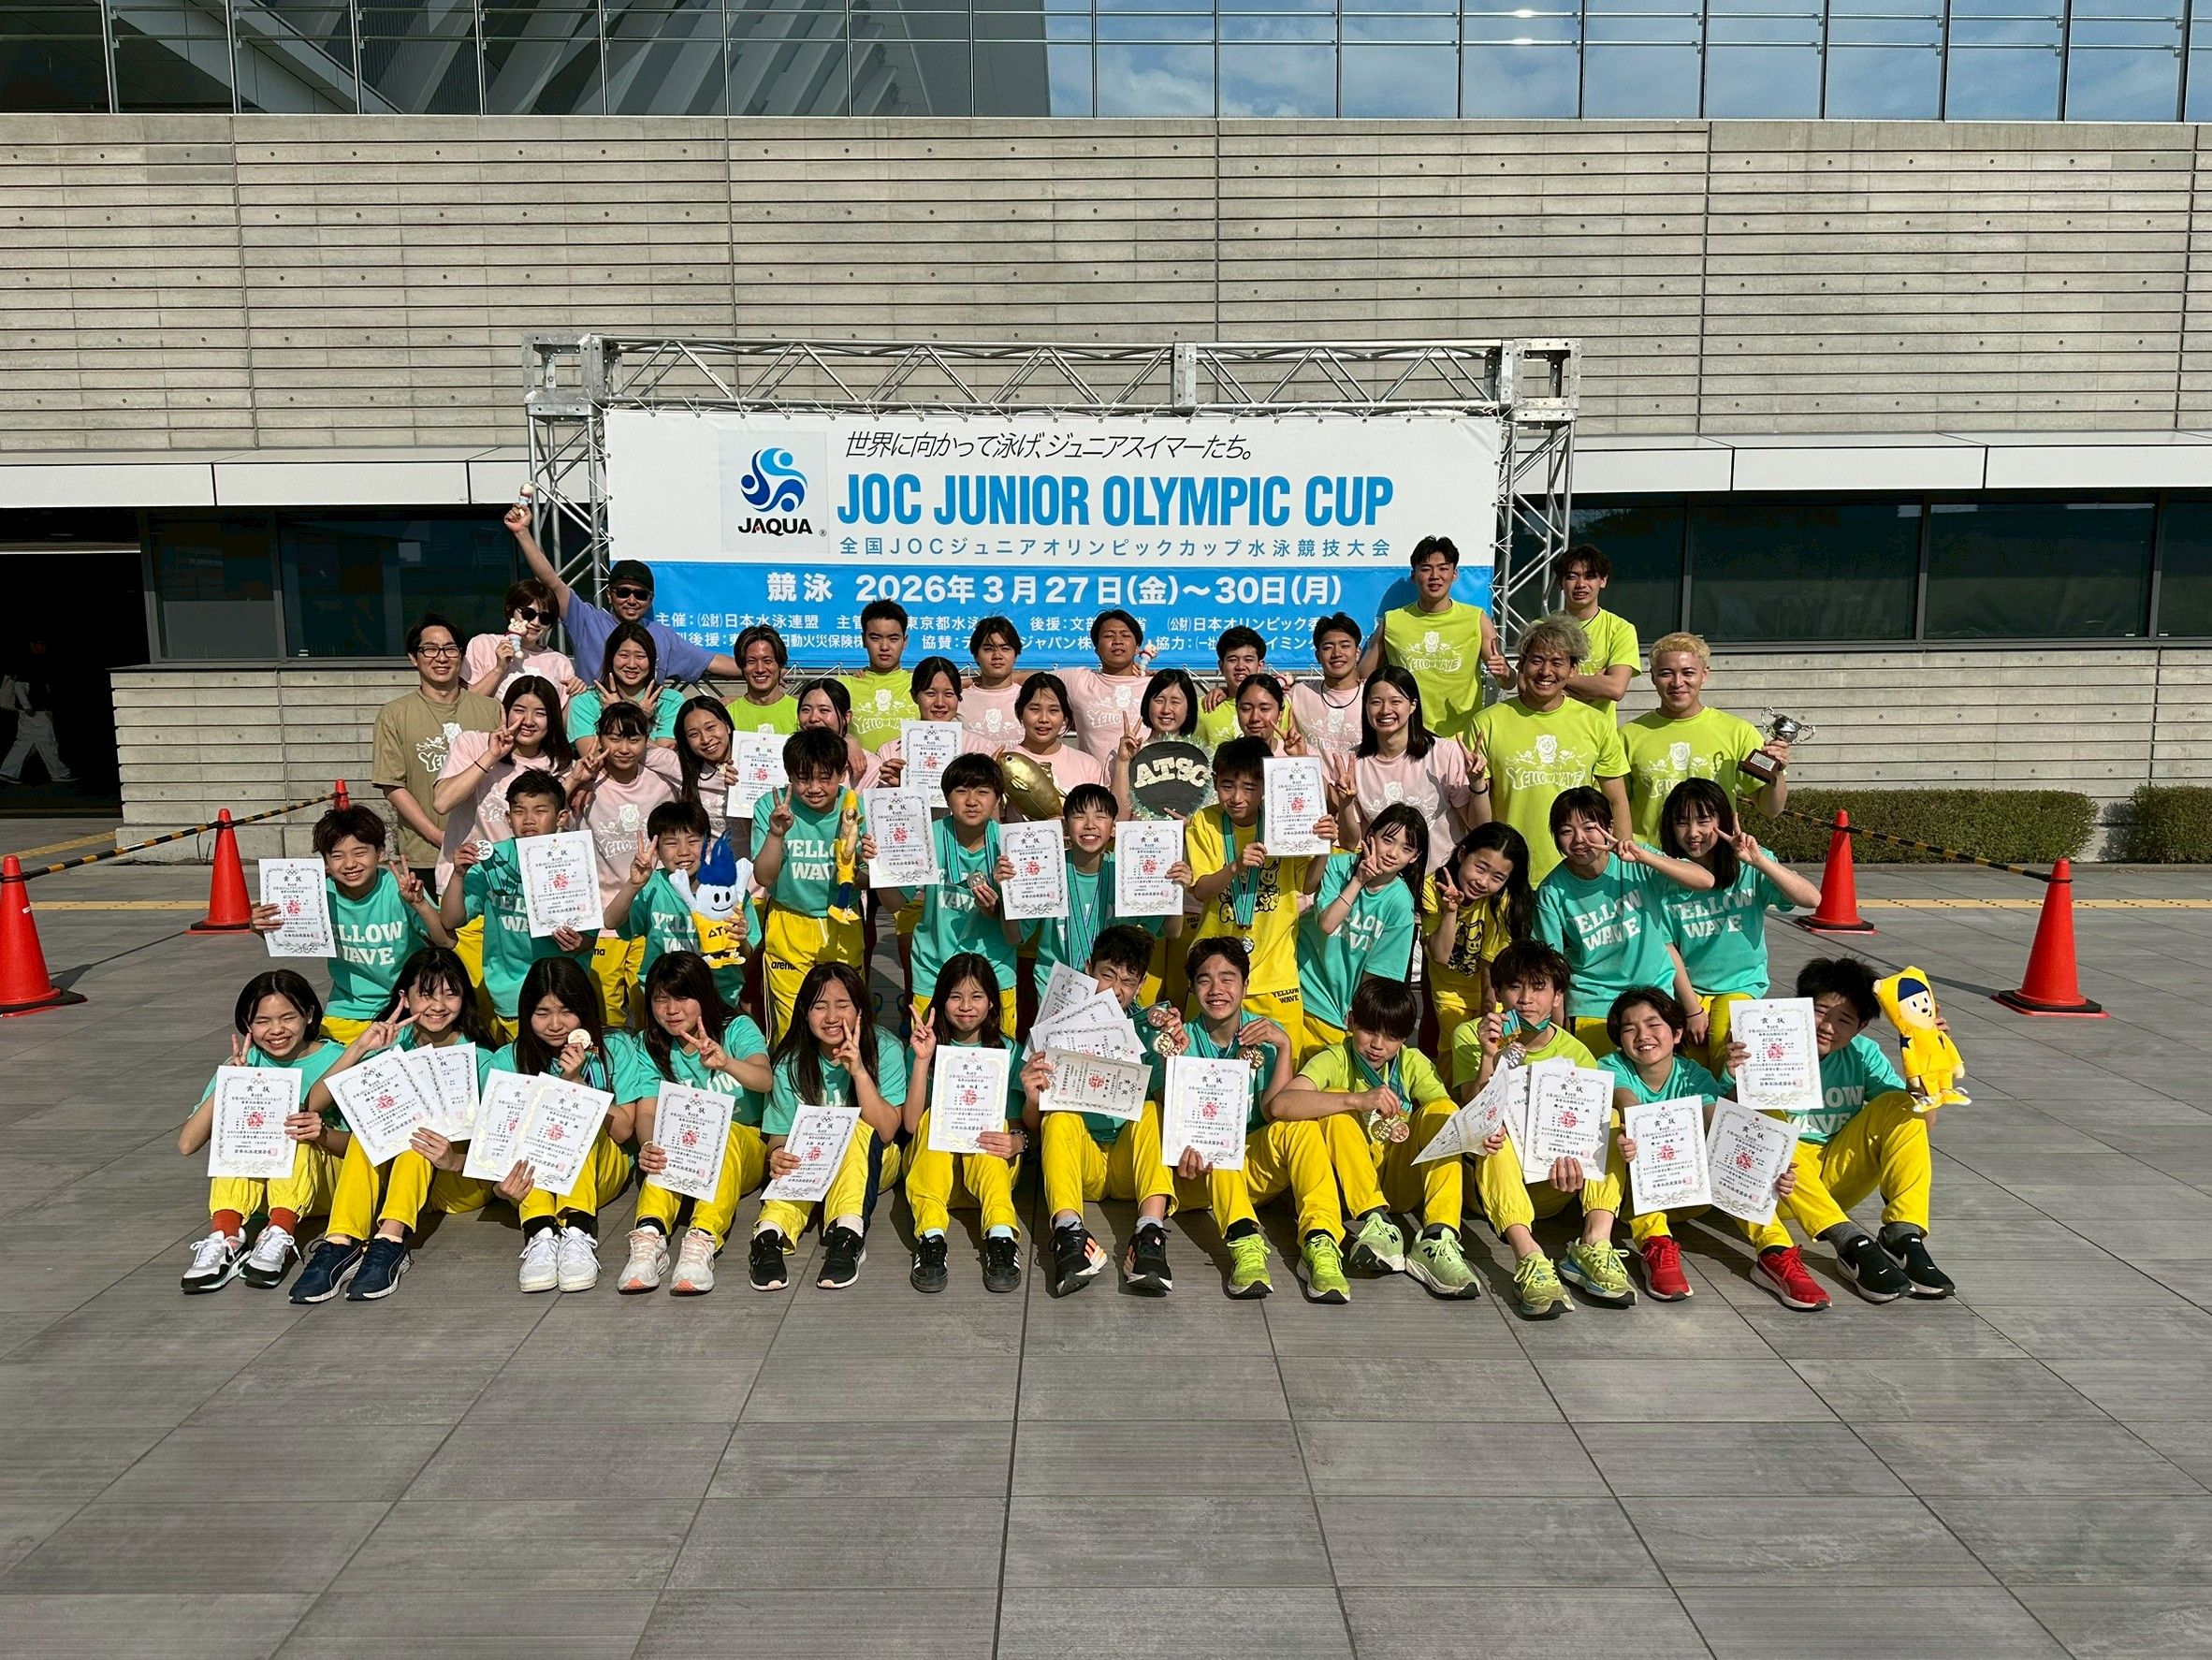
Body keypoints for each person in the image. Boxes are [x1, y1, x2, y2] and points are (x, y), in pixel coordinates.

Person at [289, 947, 501, 1303]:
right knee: (371, 1133)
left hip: (456, 1181)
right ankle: (340, 1241)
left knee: (418, 1132)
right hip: (398, 1185)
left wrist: (453, 1159)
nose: (438, 1005)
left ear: (465, 998)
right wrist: (360, 1047)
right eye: (426, 994)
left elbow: (498, 1146)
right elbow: (315, 1103)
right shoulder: (389, 1049)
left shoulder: (481, 1059)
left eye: (451, 994)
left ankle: (390, 1241)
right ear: (405, 997)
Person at [1164, 939, 1349, 1303]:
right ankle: (1245, 1242)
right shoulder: (1181, 1040)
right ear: (1192, 988)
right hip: (1200, 1176)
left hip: (1254, 1170)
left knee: (1300, 1126)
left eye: (1227, 978)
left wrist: (1285, 1047)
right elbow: (1172, 1121)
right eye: (1204, 979)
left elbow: (1273, 1110)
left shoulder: (1266, 1033)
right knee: (1219, 1140)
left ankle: (1321, 1241)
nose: (1216, 990)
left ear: (1246, 985)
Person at [1274, 976, 1481, 1299]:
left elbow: (1446, 1120)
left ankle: (1438, 1237)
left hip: (1400, 1180)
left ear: (1404, 1038)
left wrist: (1479, 1134)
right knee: (1336, 1102)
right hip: (1349, 1190)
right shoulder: (1335, 1057)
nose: (1378, 1045)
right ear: (1350, 1022)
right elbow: (1282, 1104)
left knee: (1443, 1111)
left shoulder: (1412, 1062)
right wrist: (1355, 1100)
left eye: (1391, 1036)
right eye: (1369, 1030)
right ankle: (1376, 1221)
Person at [1600, 986, 1806, 1307]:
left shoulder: (1694, 1075)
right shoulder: (1611, 1065)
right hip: (1639, 1197)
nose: (1643, 1036)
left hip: (1695, 1191)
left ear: (1677, 1033)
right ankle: (1657, 1245)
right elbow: (1626, 1102)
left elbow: (1715, 1120)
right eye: (1630, 1029)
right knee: (1618, 1125)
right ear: (1619, 1039)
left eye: (1653, 1025)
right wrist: (1639, 1135)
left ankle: (1775, 1250)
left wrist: (1766, 1164)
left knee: (1730, 1144)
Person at [1462, 950, 1634, 1318]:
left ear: (1557, 997)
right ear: (1498, 992)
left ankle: (1594, 1244)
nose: (1526, 999)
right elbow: (1471, 1114)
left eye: (1539, 988)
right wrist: (1488, 1056)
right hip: (1492, 1189)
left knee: (1611, 1120)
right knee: (1493, 1130)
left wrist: (1578, 1163)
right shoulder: (1472, 1036)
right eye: (1515, 987)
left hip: (1556, 1184)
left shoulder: (1577, 1052)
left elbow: (1585, 1127)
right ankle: (1529, 1258)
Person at [1776, 956, 1955, 1304]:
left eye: (1843, 1019)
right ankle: (1846, 1240)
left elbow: (1920, 1123)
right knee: (1766, 1126)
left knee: (1901, 1106)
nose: (1827, 1026)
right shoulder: (1768, 1045)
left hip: (1837, 1175)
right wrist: (1737, 1076)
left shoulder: (1863, 1054)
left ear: (1860, 1027)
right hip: (1782, 1187)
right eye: (1819, 1012)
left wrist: (1924, 1061)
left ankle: (1902, 1234)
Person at [1026, 925, 1181, 1299]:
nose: (1115, 989)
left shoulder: (1152, 1028)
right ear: (1087, 968)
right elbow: (1032, 1126)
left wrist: (1175, 1057)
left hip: (1130, 1168)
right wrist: (1032, 1097)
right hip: (1083, 1168)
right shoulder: (1054, 1026)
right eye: (1107, 975)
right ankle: (1069, 1233)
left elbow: (1173, 1107)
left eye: (1128, 981)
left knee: (1151, 1110)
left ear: (1142, 985)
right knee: (1058, 1117)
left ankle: (1149, 1233)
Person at [176, 971, 351, 1294]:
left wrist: (321, 1133)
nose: (276, 1030)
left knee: (293, 1129)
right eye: (262, 1021)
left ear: (309, 1015)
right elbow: (187, 1143)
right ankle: (227, 1237)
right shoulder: (244, 1063)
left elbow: (365, 1149)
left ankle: (280, 1232)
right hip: (262, 1197)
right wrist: (228, 1085)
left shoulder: (339, 1058)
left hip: (325, 1185)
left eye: (288, 1017)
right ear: (248, 1024)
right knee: (236, 1135)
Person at [491, 956, 657, 1294]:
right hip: (533, 1181)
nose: (555, 1024)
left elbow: (624, 1131)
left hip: (600, 1171)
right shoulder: (507, 1059)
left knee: (578, 1118)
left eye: (566, 1011)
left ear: (584, 1009)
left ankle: (578, 1231)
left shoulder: (615, 1047)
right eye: (542, 1013)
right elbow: (498, 1140)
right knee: (531, 1130)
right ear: (526, 1014)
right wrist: (500, 1189)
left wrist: (578, 1084)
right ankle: (540, 1233)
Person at [619, 952, 774, 1296]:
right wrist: (648, 1145)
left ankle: (701, 1239)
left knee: (725, 1132)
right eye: (661, 999)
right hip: (686, 1152)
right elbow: (648, 1111)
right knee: (663, 1140)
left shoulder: (737, 1027)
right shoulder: (649, 1044)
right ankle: (649, 1237)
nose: (672, 1010)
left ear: (704, 995)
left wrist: (726, 1062)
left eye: (682, 998)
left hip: (744, 1144)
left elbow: (765, 1081)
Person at [750, 962, 908, 1292]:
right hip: (812, 1165)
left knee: (855, 1128)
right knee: (793, 1150)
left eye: (843, 1005)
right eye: (820, 1006)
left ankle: (848, 1235)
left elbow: (887, 1130)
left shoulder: (886, 1048)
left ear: (860, 1009)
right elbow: (779, 1133)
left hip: (872, 1163)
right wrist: (776, 1153)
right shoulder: (790, 1061)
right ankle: (770, 1235)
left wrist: (859, 1073)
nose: (832, 1017)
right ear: (805, 1012)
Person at [1534, 785, 1716, 1059]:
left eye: (1589, 827)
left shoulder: (1635, 860)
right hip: (1592, 1004)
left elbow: (1705, 880)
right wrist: (1557, 1032)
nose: (1579, 839)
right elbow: (1551, 966)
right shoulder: (1551, 891)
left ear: (1609, 827)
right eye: (1566, 831)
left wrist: (1644, 857)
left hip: (1653, 1000)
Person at [246, 805, 452, 1043]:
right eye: (337, 856)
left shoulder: (401, 889)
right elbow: (290, 937)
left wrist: (420, 904)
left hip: (408, 1002)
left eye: (360, 852)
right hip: (347, 1006)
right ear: (325, 861)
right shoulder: (317, 894)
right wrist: (259, 926)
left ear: (380, 853)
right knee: (332, 1061)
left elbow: (446, 941)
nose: (350, 863)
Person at [1658, 780, 1822, 1073]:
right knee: (1689, 1067)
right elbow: (1667, 947)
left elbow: (1811, 899)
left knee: (1727, 1049)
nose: (1693, 833)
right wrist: (1692, 1009)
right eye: (1682, 822)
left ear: (1722, 820)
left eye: (1704, 821)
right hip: (1688, 990)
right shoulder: (1666, 876)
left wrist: (1759, 861)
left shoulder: (1748, 866)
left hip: (1740, 986)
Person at [1186, 736, 1334, 1038]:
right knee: (1205, 1060)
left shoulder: (1284, 820)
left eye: (1249, 788)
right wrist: (1235, 867)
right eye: (1227, 786)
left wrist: (1323, 847)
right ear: (1214, 782)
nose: (1237, 797)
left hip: (1275, 975)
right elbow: (1201, 891)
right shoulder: (1205, 821)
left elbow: (1308, 885)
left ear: (1267, 786)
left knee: (1281, 1061)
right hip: (1215, 974)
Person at [1470, 616, 1630, 883]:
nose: (1546, 672)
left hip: (1580, 872)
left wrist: (1622, 864)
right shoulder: (1487, 723)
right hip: (1511, 873)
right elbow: (1478, 813)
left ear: (1572, 669)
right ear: (1521, 664)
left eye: (1557, 662)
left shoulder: (1596, 723)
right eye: (1537, 660)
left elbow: (1616, 800)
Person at [903, 954, 1028, 1293]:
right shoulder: (924, 1044)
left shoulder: (1009, 1051)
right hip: (934, 1174)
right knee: (932, 1117)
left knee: (994, 1124)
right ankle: (931, 1238)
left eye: (976, 996)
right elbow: (911, 1125)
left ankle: (1001, 1235)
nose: (966, 1007)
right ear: (941, 1000)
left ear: (992, 1003)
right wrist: (922, 1061)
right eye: (955, 996)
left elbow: (1018, 1122)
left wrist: (1017, 1142)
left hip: (987, 1172)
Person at [438, 770, 596, 1039]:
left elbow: (589, 939)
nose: (529, 819)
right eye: (519, 811)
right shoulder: (491, 859)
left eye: (540, 811)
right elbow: (451, 920)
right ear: (508, 818)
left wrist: (578, 943)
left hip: (562, 994)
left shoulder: (575, 858)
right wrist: (458, 874)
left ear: (561, 817)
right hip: (510, 992)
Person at [507, 503, 739, 683]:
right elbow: (551, 581)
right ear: (610, 595)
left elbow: (712, 661)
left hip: (642, 724)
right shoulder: (586, 621)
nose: (631, 600)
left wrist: (760, 669)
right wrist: (522, 533)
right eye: (623, 592)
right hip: (593, 723)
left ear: (650, 600)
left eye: (640, 595)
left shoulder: (663, 636)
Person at [1007, 781, 1176, 1007]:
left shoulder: (1128, 871)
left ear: (1114, 827)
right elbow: (1014, 936)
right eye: (1079, 816)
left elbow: (1171, 930)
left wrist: (1176, 889)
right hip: (1056, 995)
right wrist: (1007, 889)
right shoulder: (1047, 870)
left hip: (1112, 994)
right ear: (1065, 826)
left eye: (1100, 817)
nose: (1089, 825)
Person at [882, 751, 1018, 1032]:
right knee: (926, 1052)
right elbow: (894, 902)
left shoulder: (1013, 845)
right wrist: (880, 869)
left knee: (997, 1053)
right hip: (934, 969)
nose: (972, 801)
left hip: (995, 971)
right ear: (945, 797)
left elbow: (1016, 933)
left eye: (983, 792)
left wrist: (996, 909)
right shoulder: (926, 836)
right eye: (961, 791)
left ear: (998, 799)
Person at [568, 701, 684, 1025]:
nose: (623, 748)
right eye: (614, 738)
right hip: (603, 915)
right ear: (599, 738)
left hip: (650, 910)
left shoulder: (663, 782)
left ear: (647, 740)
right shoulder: (584, 784)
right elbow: (553, 821)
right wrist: (576, 783)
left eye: (634, 739)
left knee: (650, 998)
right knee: (605, 1005)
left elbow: (693, 773)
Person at [371, 613, 502, 888]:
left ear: (461, 656)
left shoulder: (491, 710)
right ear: (413, 658)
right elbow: (393, 786)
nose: (441, 658)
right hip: (426, 855)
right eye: (430, 649)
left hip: (487, 850)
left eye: (450, 649)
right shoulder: (394, 714)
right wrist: (438, 836)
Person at [1622, 632, 1790, 843]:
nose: (1677, 682)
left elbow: (1771, 809)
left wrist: (1777, 773)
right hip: (1648, 858)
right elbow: (1613, 805)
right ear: (1653, 677)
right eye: (1666, 673)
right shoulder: (1628, 736)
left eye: (1688, 672)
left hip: (1715, 858)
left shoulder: (1738, 732)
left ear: (1704, 675)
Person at [752, 727, 866, 1041]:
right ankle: (791, 1073)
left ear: (842, 774)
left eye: (825, 778)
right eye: (803, 778)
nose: (814, 788)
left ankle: (845, 1073)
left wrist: (863, 864)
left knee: (842, 1018)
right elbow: (764, 877)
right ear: (789, 775)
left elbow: (867, 879)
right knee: (790, 1021)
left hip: (842, 921)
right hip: (789, 921)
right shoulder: (771, 805)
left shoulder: (858, 808)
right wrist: (776, 833)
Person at [1296, 802, 1425, 1063]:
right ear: (1370, 835)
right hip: (1297, 989)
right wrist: (1358, 881)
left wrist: (1360, 1014)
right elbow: (1327, 924)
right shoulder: (1338, 866)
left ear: (1415, 857)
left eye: (1406, 848)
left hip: (1335, 1012)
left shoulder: (1400, 903)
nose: (1393, 853)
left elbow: (1378, 974)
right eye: (1388, 840)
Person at [1331, 665, 1488, 876]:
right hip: (1385, 886)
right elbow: (1350, 843)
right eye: (1376, 702)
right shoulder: (1351, 763)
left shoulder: (1445, 754)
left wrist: (1477, 783)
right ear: (1365, 706)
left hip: (1440, 883)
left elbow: (1480, 827)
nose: (1385, 710)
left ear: (1413, 705)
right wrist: (1346, 803)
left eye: (1395, 701)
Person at [605, 799, 758, 1013]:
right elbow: (611, 921)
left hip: (718, 997)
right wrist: (634, 884)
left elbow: (746, 952)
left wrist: (740, 940)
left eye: (693, 841)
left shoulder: (729, 889)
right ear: (656, 850)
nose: (684, 851)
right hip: (664, 1001)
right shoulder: (652, 886)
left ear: (707, 843)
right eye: (671, 843)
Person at [429, 674, 575, 896]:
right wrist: (491, 755)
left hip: (526, 892)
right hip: (467, 884)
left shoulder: (562, 765)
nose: (528, 721)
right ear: (504, 711)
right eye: (519, 710)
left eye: (540, 713)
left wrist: (576, 783)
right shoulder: (472, 743)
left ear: (553, 718)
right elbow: (442, 802)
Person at [1361, 534, 1510, 742]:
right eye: (1425, 569)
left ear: (1454, 574)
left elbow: (1508, 682)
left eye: (1443, 568)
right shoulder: (1392, 621)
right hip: (1407, 738)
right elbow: (1363, 677)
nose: (1435, 576)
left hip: (1461, 740)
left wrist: (1504, 672)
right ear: (1414, 575)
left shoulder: (1476, 619)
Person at [1427, 823, 1535, 1057]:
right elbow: (1440, 955)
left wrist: (1489, 1008)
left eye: (1498, 877)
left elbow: (1490, 962)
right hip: (1450, 994)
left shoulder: (1504, 900)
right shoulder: (1432, 887)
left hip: (1494, 991)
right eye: (1480, 868)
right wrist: (1450, 911)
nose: (1483, 882)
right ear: (1463, 854)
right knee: (1455, 1053)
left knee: (1499, 1052)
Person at [566, 622, 679, 760]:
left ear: (652, 660)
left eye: (640, 657)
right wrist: (625, 715)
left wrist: (632, 715)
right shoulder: (584, 701)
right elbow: (592, 760)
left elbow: (665, 761)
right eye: (624, 656)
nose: (631, 664)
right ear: (610, 657)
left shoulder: (671, 701)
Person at [1556, 545, 1642, 721]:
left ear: (1603, 581)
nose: (1581, 584)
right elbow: (1526, 685)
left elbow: (1615, 689)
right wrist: (1593, 685)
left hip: (1599, 733)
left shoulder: (1621, 629)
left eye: (1590, 576)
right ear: (1560, 583)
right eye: (1572, 577)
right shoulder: (1542, 628)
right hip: (1552, 729)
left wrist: (1557, 678)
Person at [463, 578, 578, 704]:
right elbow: (467, 703)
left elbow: (560, 715)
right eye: (528, 614)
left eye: (545, 618)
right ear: (510, 611)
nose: (536, 623)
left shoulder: (560, 662)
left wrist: (577, 694)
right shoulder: (484, 644)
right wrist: (499, 669)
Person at [1004, 673, 1107, 812]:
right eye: (1034, 709)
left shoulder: (1089, 766)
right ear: (1020, 712)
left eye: (1053, 710)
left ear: (1065, 716)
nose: (1044, 719)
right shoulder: (1005, 763)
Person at [1062, 608, 1154, 763]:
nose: (1117, 641)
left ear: (1137, 647)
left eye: (1125, 635)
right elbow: (1024, 680)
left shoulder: (1155, 686)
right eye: (1108, 635)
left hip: (1146, 777)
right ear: (1097, 648)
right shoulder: (1078, 680)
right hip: (1094, 778)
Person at [841, 599, 917, 752]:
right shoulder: (845, 686)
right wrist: (847, 739)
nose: (884, 646)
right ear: (863, 640)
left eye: (893, 639)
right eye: (875, 638)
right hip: (862, 769)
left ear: (905, 641)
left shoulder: (920, 684)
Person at [1288, 613, 1366, 761]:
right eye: (1328, 647)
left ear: (1357, 653)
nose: (1337, 653)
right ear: (1318, 656)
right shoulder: (1299, 693)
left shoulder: (1372, 696)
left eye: (1345, 646)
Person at [0, 637, 75, 785]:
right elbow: (19, 687)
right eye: (39, 645)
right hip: (35, 711)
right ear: (32, 645)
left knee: (27, 742)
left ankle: (7, 772)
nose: (42, 648)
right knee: (46, 741)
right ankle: (59, 773)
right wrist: (27, 706)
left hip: (33, 710)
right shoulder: (31, 663)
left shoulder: (32, 662)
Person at [674, 694, 742, 842]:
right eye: (694, 734)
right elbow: (636, 746)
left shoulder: (752, 761)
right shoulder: (679, 765)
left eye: (711, 728)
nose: (705, 739)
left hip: (755, 856)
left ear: (727, 726)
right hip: (707, 857)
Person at [793, 677, 879, 791]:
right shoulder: (786, 756)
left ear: (846, 717)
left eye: (824, 710)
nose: (813, 718)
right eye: (806, 710)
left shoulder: (871, 767)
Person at [1196, 626, 1267, 750]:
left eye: (1248, 660)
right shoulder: (1202, 707)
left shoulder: (1280, 705)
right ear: (1221, 666)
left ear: (1260, 666)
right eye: (1233, 660)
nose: (1240, 666)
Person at [960, 614, 1026, 744]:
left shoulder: (1030, 698)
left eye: (1005, 648)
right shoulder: (958, 700)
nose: (997, 656)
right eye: (988, 649)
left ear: (1016, 655)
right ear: (975, 655)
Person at [728, 624, 799, 735]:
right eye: (751, 661)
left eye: (767, 661)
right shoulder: (728, 715)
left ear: (780, 664)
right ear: (741, 666)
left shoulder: (800, 712)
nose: (760, 669)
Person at [1231, 672, 1296, 755]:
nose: (1255, 718)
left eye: (1264, 709)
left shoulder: (1299, 752)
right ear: (1237, 710)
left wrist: (1300, 757)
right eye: (1246, 709)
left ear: (1280, 713)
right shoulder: (1227, 756)